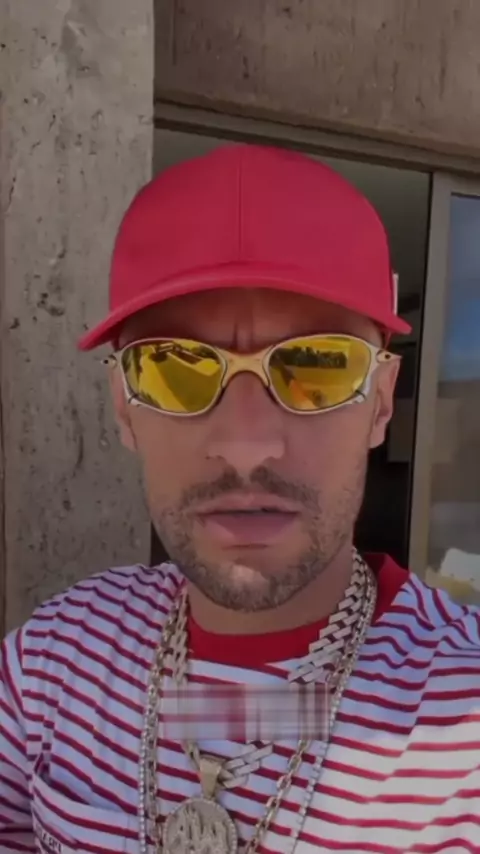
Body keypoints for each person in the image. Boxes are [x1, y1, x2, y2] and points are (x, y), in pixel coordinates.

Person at [1, 144, 479, 854]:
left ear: (380, 403)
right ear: (125, 407)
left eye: (317, 366)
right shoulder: (56, 657)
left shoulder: (461, 717)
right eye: (173, 368)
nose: (247, 446)